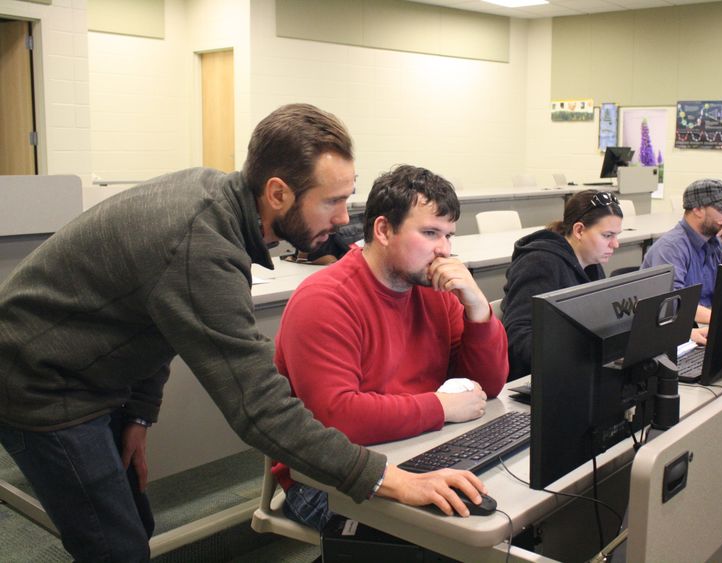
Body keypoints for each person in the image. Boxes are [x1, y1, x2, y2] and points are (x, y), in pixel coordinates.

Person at [0, 104, 487, 562]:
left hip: (95, 368)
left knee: (132, 523)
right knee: (115, 546)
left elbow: (154, 317)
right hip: (40, 379)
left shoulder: (218, 203)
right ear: (277, 194)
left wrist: (139, 413)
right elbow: (258, 409)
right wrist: (385, 480)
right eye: (333, 201)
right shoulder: (201, 242)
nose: (344, 218)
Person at [272, 164, 509, 531]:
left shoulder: (436, 291)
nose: (444, 251)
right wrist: (440, 407)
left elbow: (486, 388)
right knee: (439, 535)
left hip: (415, 443)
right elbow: (337, 417)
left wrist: (478, 312)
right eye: (430, 233)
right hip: (325, 476)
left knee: (500, 505)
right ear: (383, 230)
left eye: (449, 236)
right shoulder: (324, 300)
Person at [501, 190, 623, 381]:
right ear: (579, 230)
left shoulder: (592, 264)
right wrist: (578, 353)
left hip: (575, 371)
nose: (615, 244)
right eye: (607, 235)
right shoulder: (539, 263)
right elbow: (518, 337)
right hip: (536, 379)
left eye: (616, 235)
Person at [641, 178, 722, 340]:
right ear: (698, 210)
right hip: (676, 332)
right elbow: (674, 305)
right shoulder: (671, 248)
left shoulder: (717, 241)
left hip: (703, 325)